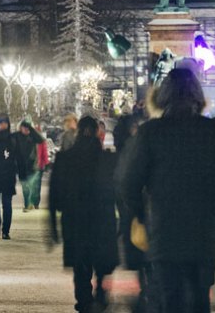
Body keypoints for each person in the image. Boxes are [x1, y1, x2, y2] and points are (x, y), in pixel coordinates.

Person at [117, 68, 215, 313]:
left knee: (169, 299)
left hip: (164, 235)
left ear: (163, 97)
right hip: (204, 237)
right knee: (198, 300)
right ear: (198, 97)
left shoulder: (150, 133)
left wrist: (141, 215)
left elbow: (127, 182)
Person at [50, 116, 119, 313]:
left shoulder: (65, 158)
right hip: (102, 219)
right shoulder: (107, 159)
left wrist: (53, 227)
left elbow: (55, 194)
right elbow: (120, 189)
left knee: (81, 266)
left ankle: (84, 301)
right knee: (102, 262)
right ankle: (100, 295)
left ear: (78, 132)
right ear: (97, 133)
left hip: (75, 221)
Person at [113, 114, 148, 312]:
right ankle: (146, 293)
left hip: (135, 214)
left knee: (143, 258)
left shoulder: (127, 152)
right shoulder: (132, 151)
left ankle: (145, 293)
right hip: (139, 215)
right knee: (145, 258)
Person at [15, 120, 47, 212]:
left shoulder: (34, 136)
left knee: (33, 186)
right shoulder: (17, 136)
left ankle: (32, 203)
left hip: (33, 165)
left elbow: (42, 140)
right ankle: (27, 204)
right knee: (25, 187)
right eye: (24, 127)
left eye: (27, 127)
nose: (26, 129)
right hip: (21, 166)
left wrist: (32, 129)